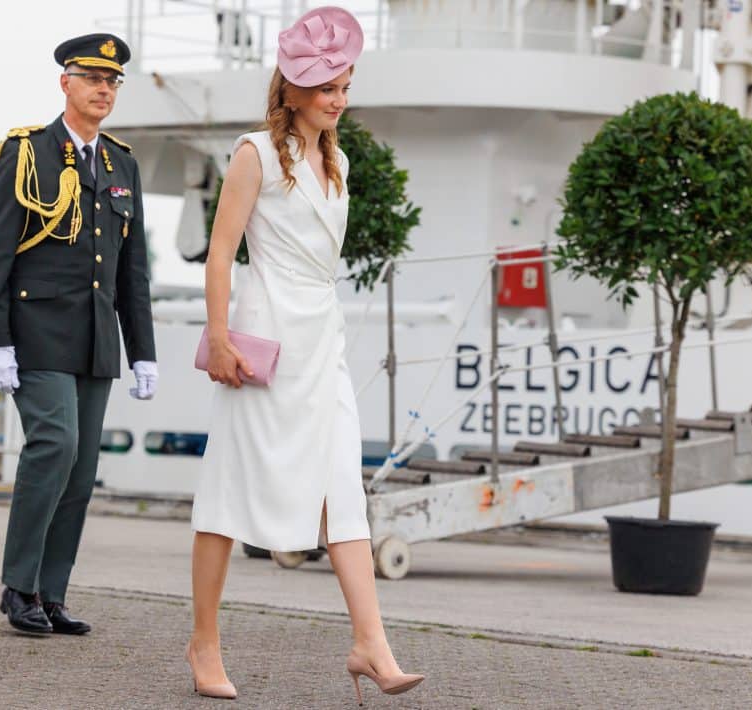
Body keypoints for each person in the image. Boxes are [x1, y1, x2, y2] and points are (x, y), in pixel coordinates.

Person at [187, 6, 424, 703]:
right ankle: (204, 642)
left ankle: (371, 645)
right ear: (290, 89)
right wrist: (221, 335)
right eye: (325, 87)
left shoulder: (339, 160)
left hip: (324, 340)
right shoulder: (252, 153)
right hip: (263, 343)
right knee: (228, 493)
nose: (338, 99)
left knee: (342, 492)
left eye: (344, 85)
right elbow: (221, 255)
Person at [0, 33, 157, 636]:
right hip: (36, 333)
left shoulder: (121, 163)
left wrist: (143, 354)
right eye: (92, 78)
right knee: (54, 445)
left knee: (80, 471)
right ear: (66, 83)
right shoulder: (27, 151)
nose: (104, 89)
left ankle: (51, 594)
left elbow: (132, 270)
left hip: (95, 341)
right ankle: (18, 586)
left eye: (112, 82)